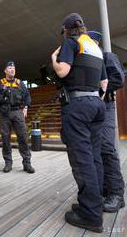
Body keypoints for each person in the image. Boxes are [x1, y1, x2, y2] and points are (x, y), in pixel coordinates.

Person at [51, 13, 108, 233]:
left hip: (78, 106)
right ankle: (93, 204)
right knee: (94, 158)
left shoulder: (70, 43)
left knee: (82, 160)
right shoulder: (95, 47)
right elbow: (104, 83)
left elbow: (63, 71)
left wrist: (54, 59)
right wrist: (93, 99)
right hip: (96, 104)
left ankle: (91, 216)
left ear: (66, 30)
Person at [88, 30, 125, 212]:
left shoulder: (107, 56)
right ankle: (104, 188)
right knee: (96, 149)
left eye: (89, 41)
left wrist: (98, 90)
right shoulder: (86, 61)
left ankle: (117, 194)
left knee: (106, 148)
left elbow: (118, 79)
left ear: (96, 42)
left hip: (106, 105)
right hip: (91, 109)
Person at [0, 61, 35, 174]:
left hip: (18, 112)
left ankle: (27, 163)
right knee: (5, 139)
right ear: (5, 71)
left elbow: (27, 96)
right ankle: (8, 163)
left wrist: (26, 107)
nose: (12, 69)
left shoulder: (20, 83)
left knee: (23, 137)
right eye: (9, 68)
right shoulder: (0, 83)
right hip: (4, 114)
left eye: (13, 68)